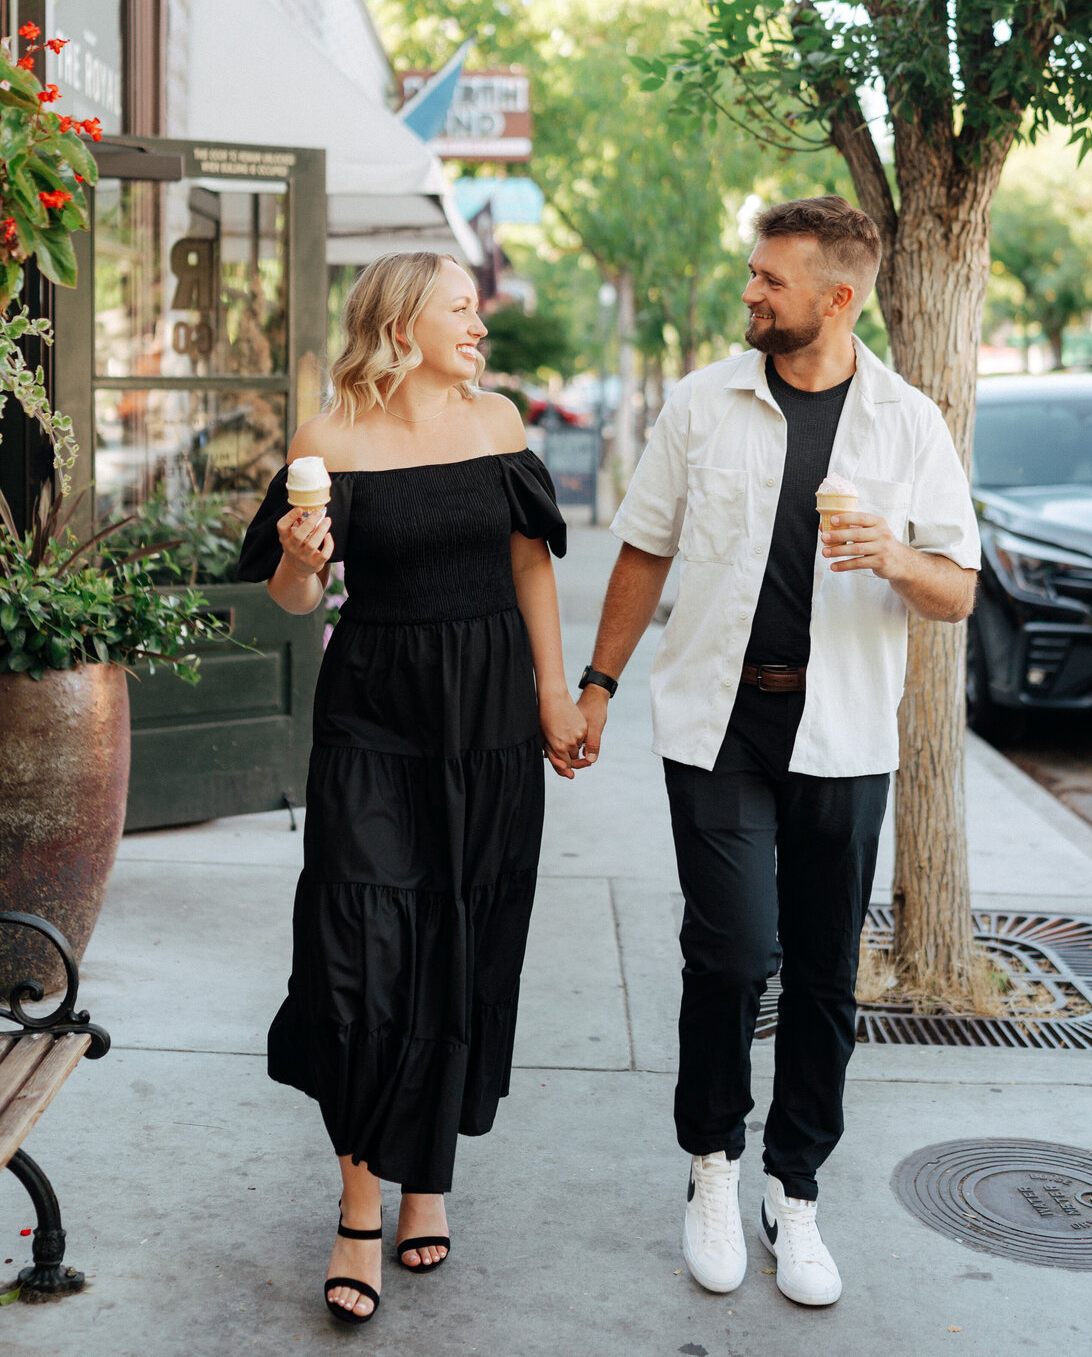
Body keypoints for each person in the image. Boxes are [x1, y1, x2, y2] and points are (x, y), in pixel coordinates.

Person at [571, 196, 980, 1309]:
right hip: (718, 725)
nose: (750, 291)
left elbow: (957, 588)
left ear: (837, 299)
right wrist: (598, 686)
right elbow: (644, 548)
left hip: (844, 734)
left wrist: (894, 556)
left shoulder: (907, 423)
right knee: (732, 953)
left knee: (823, 973)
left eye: (770, 279)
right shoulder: (703, 403)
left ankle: (794, 1188)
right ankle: (712, 1163)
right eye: (752, 273)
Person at [236, 252, 587, 1326]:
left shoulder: (499, 424)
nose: (480, 324)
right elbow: (295, 596)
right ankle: (358, 1203)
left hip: (488, 714)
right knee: (354, 955)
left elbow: (530, 565)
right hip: (373, 715)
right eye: (461, 308)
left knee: (462, 938)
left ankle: (427, 1175)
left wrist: (556, 693)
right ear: (401, 325)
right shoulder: (329, 438)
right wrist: (302, 555)